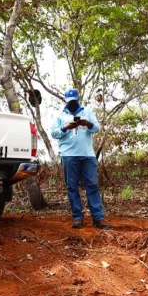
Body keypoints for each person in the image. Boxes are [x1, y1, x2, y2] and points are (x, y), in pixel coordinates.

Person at [50, 88, 112, 229]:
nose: (72, 104)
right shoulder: (60, 115)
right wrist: (65, 127)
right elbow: (54, 133)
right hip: (69, 155)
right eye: (69, 101)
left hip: (87, 155)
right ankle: (78, 218)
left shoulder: (87, 111)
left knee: (93, 186)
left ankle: (98, 218)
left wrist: (86, 123)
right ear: (66, 101)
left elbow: (96, 128)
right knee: (72, 187)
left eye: (74, 101)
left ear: (78, 99)